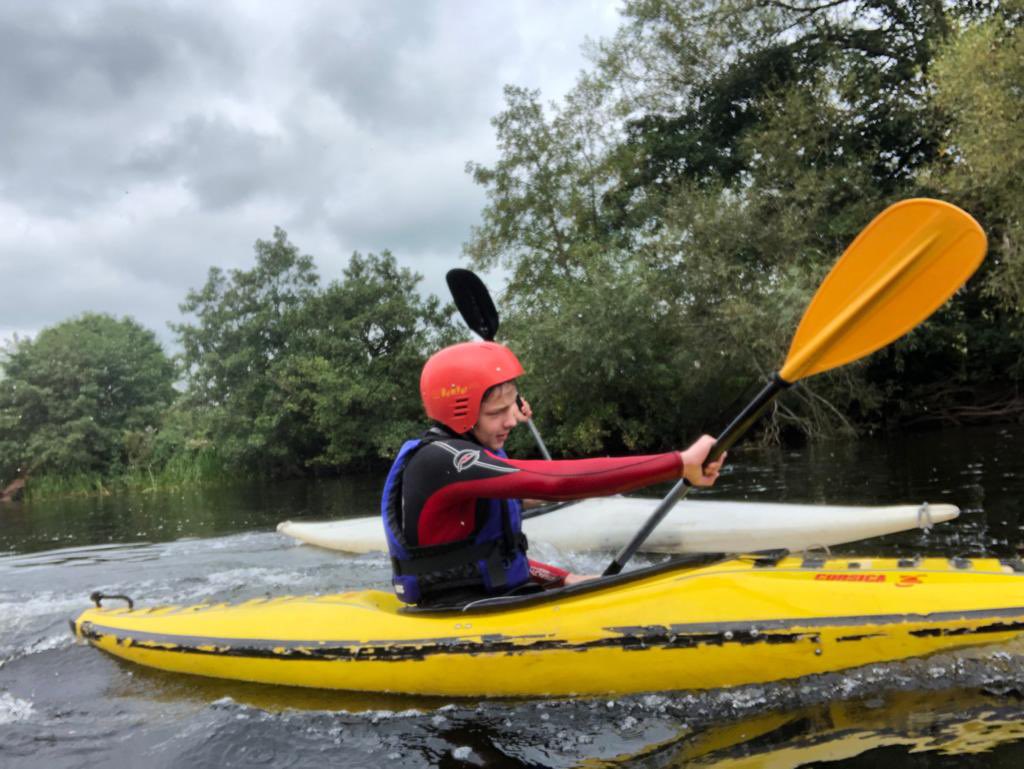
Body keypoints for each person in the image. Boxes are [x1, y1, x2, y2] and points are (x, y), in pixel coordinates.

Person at [381, 340, 725, 607]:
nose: (513, 420)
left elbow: (496, 556)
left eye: (514, 406)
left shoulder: (473, 456)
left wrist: (562, 580)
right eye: (498, 412)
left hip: (501, 600)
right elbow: (555, 482)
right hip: (459, 614)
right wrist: (678, 463)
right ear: (460, 413)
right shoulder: (442, 461)